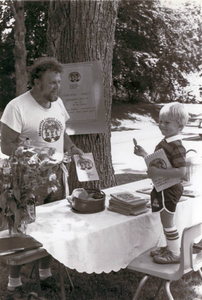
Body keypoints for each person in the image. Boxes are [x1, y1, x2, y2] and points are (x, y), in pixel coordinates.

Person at [0, 57, 84, 298]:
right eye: (51, 83)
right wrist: (36, 154)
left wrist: (72, 149)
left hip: (56, 177)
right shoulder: (17, 107)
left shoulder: (58, 104)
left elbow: (61, 135)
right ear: (36, 82)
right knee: (23, 229)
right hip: (28, 181)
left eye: (59, 82)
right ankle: (14, 283)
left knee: (54, 226)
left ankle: (46, 275)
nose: (57, 87)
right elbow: (6, 145)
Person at [134, 102, 189, 264]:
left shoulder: (176, 146)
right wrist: (144, 153)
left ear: (180, 125)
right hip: (164, 187)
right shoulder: (167, 142)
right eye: (160, 121)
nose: (162, 125)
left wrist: (157, 173)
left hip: (169, 189)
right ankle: (168, 247)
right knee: (166, 222)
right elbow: (159, 162)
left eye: (167, 122)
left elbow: (181, 172)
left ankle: (174, 253)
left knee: (168, 222)